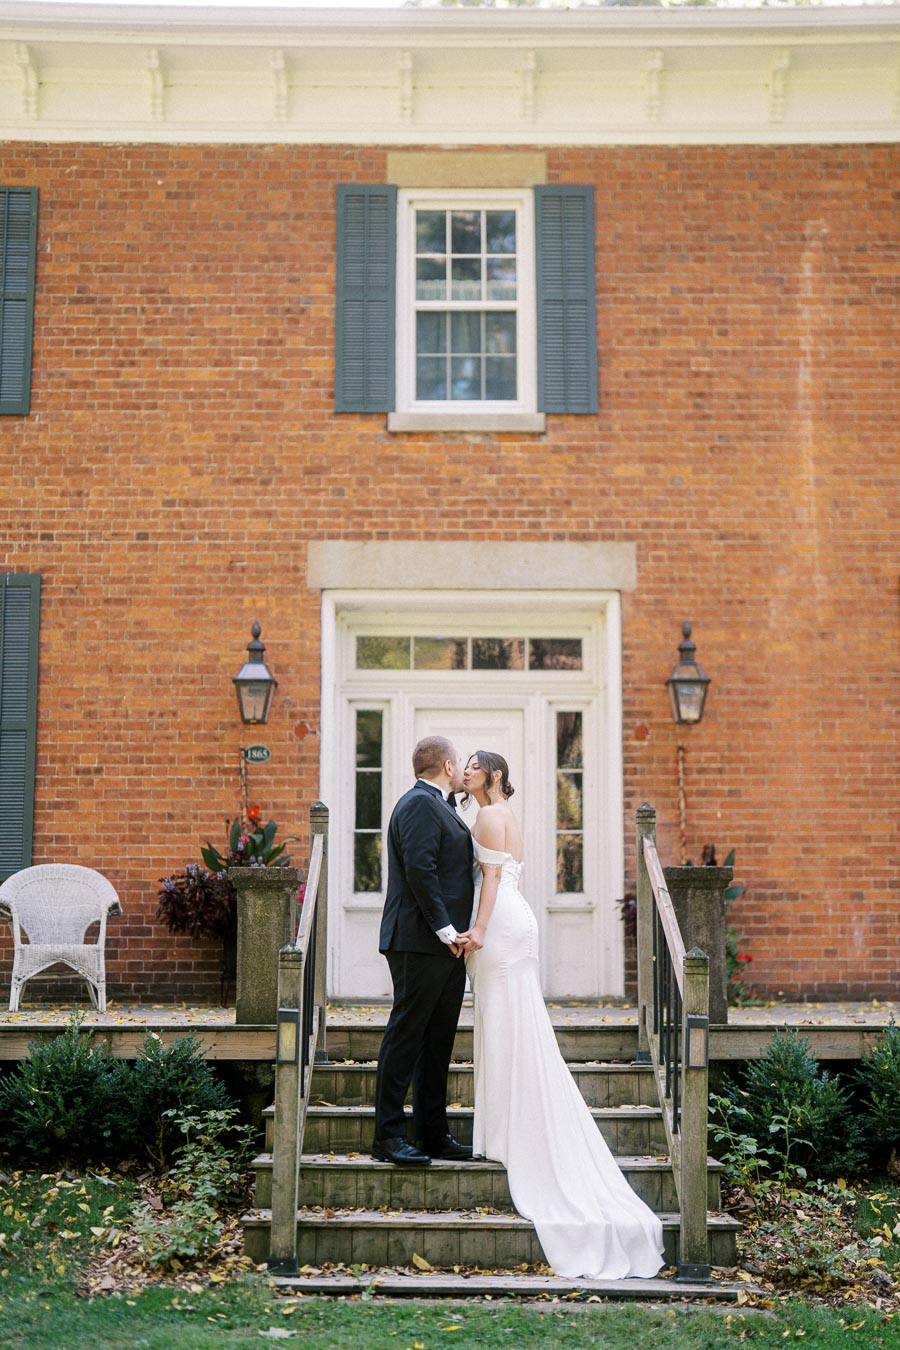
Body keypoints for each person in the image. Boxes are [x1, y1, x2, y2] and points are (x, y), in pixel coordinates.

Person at [455, 750, 665, 1280]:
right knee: (513, 1026)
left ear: (495, 775)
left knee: (505, 1027)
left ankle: (504, 1132)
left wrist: (477, 931)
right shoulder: (504, 814)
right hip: (517, 921)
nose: (468, 771)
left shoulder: (485, 814)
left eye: (475, 765)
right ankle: (501, 1128)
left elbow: (493, 880)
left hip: (499, 921)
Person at [372, 736, 475, 1167]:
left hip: (446, 946)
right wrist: (445, 928)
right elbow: (420, 869)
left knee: (438, 1040)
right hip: (420, 939)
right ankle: (389, 1135)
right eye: (459, 763)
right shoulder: (417, 804)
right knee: (406, 1035)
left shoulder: (442, 807)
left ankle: (432, 1132)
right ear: (448, 766)